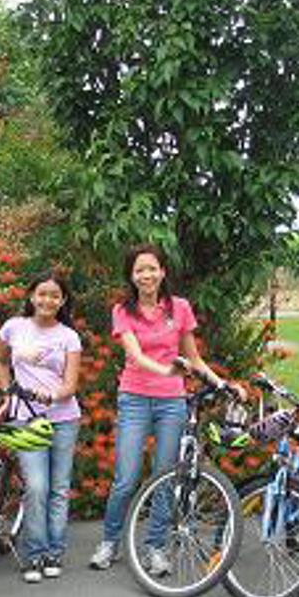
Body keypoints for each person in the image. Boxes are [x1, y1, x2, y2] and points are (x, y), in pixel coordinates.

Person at [91, 243, 245, 574]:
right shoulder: (123, 310)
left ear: (163, 271)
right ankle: (109, 541)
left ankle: (155, 547)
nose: (146, 275)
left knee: (165, 476)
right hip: (134, 398)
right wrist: (164, 371)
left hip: (172, 402)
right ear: (131, 277)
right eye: (139, 270)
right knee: (126, 478)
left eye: (152, 268)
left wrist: (223, 385)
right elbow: (135, 355)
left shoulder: (179, 308)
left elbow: (194, 359)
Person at [0, 273, 82, 583]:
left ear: (62, 301)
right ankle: (34, 554)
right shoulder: (14, 327)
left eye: (55, 296)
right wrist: (8, 393)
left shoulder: (69, 337)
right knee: (36, 486)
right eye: (42, 294)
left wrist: (53, 395)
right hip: (26, 417)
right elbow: (2, 363)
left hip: (63, 418)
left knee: (59, 488)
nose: (48, 300)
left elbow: (70, 385)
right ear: (32, 296)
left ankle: (53, 552)